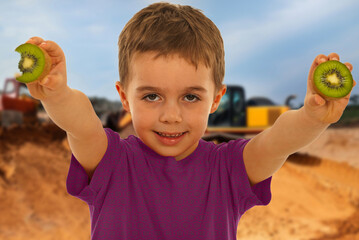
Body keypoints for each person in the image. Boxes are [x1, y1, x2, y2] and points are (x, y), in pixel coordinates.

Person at [24, 2, 355, 240]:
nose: (171, 116)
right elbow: (81, 122)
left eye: (191, 97)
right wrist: (57, 94)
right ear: (124, 97)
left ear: (216, 98)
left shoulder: (228, 170)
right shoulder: (110, 162)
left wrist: (312, 117)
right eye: (151, 96)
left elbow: (279, 140)